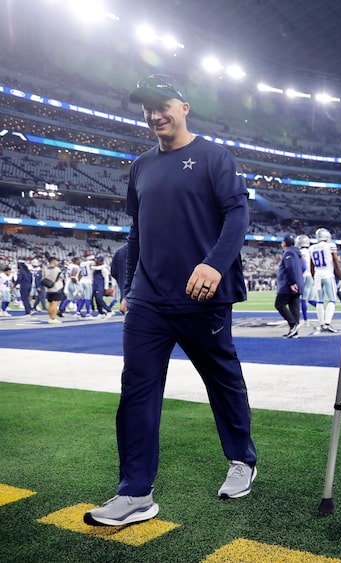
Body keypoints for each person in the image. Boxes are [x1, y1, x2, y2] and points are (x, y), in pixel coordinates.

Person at [84, 74, 257, 527]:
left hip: (203, 298)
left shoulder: (215, 157)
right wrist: (128, 288)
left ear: (184, 107)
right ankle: (135, 493)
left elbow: (238, 214)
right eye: (146, 108)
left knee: (223, 381)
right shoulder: (141, 166)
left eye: (162, 105)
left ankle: (242, 458)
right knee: (137, 391)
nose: (154, 114)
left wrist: (215, 264)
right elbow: (136, 232)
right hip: (148, 302)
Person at [308, 227, 341, 333]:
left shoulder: (312, 248)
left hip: (318, 275)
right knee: (332, 300)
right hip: (328, 274)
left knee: (319, 301)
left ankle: (322, 323)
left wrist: (313, 277)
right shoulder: (330, 246)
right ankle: (327, 323)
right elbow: (336, 262)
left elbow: (311, 265)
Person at [274, 234, 304, 338]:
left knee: (279, 304)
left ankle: (293, 324)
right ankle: (294, 331)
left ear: (285, 243)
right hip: (298, 283)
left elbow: (289, 267)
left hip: (288, 285)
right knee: (294, 307)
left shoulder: (289, 252)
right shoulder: (297, 253)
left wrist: (292, 282)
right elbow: (303, 267)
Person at [42, 256, 65, 324]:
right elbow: (62, 277)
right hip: (56, 288)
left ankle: (50, 317)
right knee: (55, 304)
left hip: (48, 288)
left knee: (50, 304)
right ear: (54, 261)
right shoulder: (57, 269)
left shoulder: (45, 269)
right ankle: (53, 318)